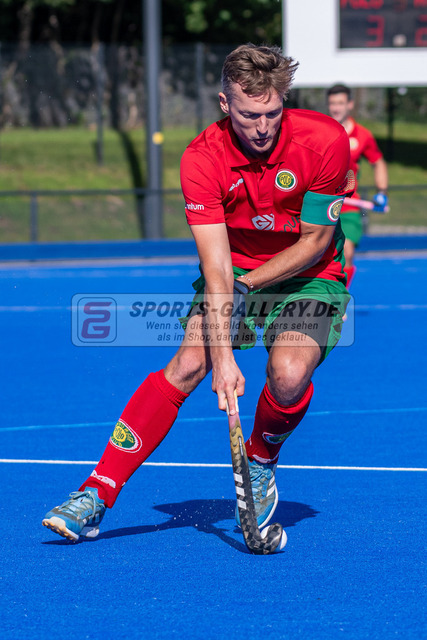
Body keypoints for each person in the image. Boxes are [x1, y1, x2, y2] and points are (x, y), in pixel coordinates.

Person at [43, 44, 353, 543]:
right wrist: (224, 357)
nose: (262, 127)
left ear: (284, 102)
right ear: (225, 104)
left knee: (290, 374)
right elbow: (216, 266)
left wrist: (247, 286)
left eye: (273, 113)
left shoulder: (325, 141)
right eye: (249, 115)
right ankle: (96, 493)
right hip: (233, 270)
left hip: (310, 274)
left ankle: (260, 460)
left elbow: (315, 241)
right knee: (189, 364)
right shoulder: (202, 159)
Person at [327, 84, 389, 287]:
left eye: (340, 103)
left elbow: (378, 162)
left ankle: (339, 300)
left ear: (350, 104)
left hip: (349, 206)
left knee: (348, 252)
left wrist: (382, 192)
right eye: (332, 103)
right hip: (322, 203)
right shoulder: (321, 131)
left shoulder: (362, 135)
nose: (336, 108)